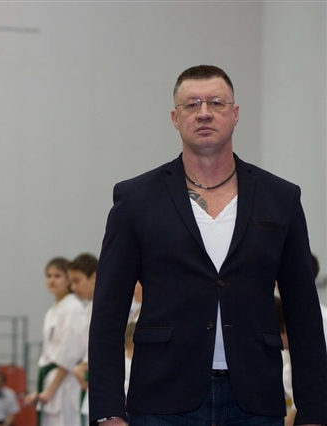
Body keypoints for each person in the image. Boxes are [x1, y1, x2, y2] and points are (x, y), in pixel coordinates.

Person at [89, 65, 327, 426]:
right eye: (191, 104)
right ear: (175, 118)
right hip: (162, 396)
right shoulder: (136, 199)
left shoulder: (280, 198)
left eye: (216, 103)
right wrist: (108, 410)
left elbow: (303, 312)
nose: (204, 112)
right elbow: (108, 312)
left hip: (255, 397)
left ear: (235, 113)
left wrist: (313, 412)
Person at [23, 257, 84, 426]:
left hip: (65, 382)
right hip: (50, 379)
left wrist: (50, 390)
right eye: (49, 275)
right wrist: (42, 391)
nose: (52, 280)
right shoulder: (52, 310)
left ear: (68, 280)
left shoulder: (73, 308)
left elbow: (70, 353)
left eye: (57, 276)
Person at [67, 253, 98, 425]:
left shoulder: (107, 308)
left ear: (94, 277)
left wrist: (85, 365)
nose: (73, 287)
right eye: (71, 282)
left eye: (77, 281)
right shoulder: (87, 310)